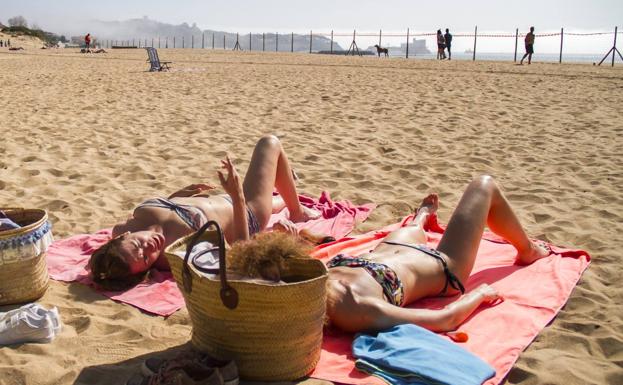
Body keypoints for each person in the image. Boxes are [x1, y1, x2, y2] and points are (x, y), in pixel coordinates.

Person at [88, 135, 320, 290]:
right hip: (247, 211)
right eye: (147, 259)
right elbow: (240, 249)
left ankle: (280, 190)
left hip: (223, 197)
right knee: (270, 143)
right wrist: (238, 197)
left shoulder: (124, 227)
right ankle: (296, 211)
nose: (150, 248)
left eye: (139, 245)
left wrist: (178, 196)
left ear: (122, 237)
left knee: (273, 191)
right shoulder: (177, 252)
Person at [325, 175, 551, 333]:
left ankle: (421, 219)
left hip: (391, 250)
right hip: (442, 265)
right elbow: (445, 319)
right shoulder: (355, 308)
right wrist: (480, 295)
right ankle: (528, 250)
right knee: (484, 185)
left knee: (412, 230)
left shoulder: (306, 276)